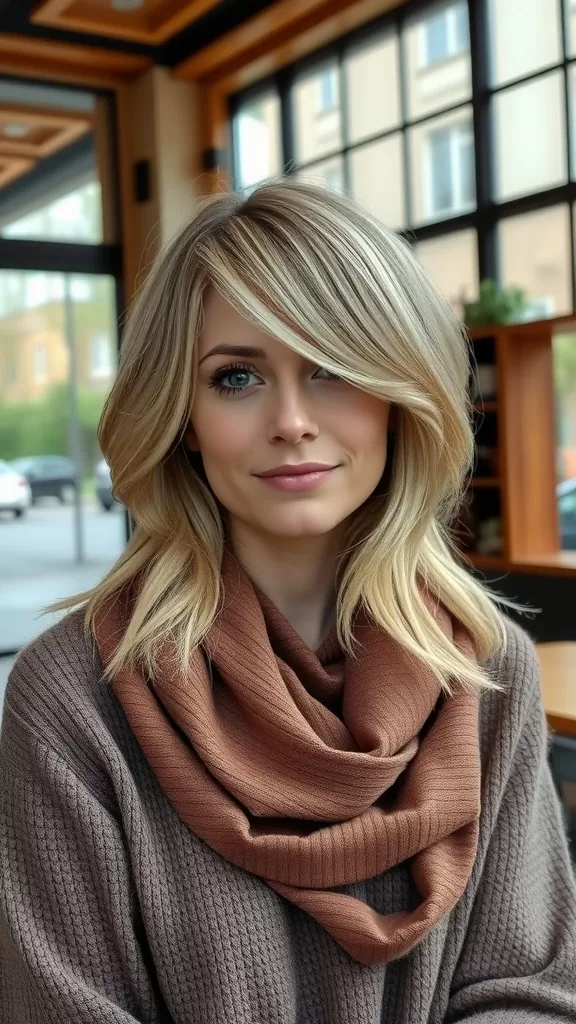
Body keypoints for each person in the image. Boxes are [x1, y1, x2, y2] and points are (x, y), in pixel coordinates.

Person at [1, 179, 575, 1024]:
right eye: (236, 377)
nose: (293, 420)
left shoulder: (484, 666)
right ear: (184, 416)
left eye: (335, 368)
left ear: (397, 392)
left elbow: (529, 989)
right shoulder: (77, 692)